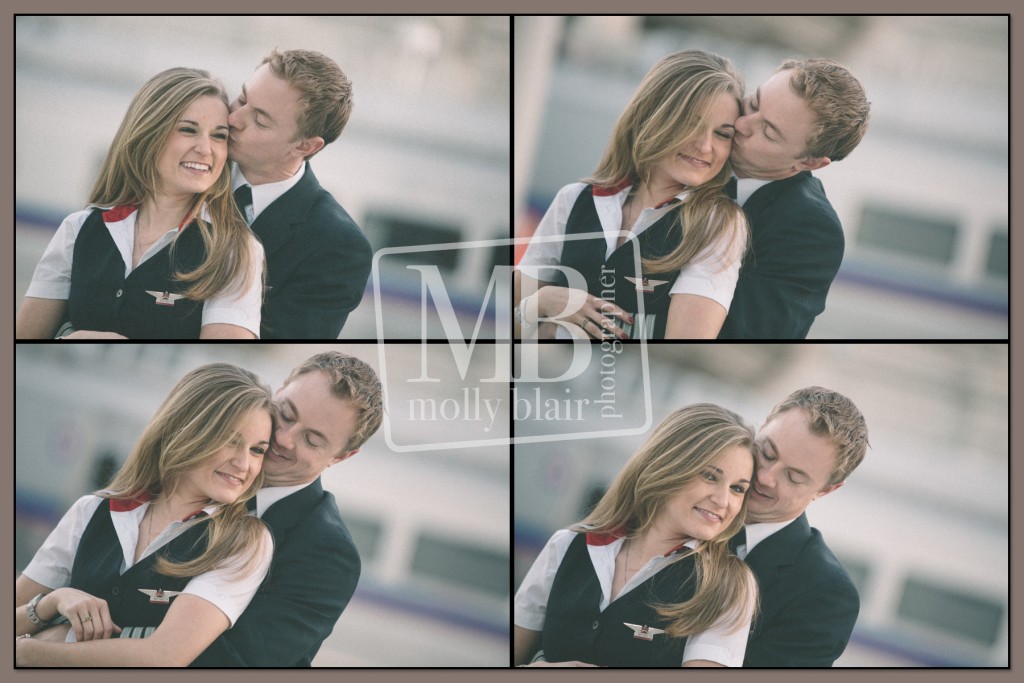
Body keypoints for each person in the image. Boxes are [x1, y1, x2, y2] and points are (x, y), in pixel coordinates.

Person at [15, 364, 275, 666]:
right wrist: (53, 602)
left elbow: (165, 656)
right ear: (186, 429)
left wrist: (37, 650)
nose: (244, 464)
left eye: (257, 450)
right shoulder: (92, 510)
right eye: (231, 440)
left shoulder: (243, 542)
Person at [514, 49, 749, 340]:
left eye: (722, 134)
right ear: (652, 116)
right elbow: (509, 328)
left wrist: (555, 328)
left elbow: (686, 342)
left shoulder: (718, 224)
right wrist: (544, 300)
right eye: (691, 124)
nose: (705, 146)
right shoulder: (573, 199)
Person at [15, 68, 265, 340]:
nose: (206, 149)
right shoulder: (78, 229)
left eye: (219, 135)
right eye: (188, 130)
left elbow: (217, 360)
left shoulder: (235, 251)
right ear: (149, 134)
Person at [513, 404, 759, 667]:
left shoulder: (727, 587)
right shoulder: (567, 546)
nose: (723, 501)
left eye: (737, 488)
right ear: (668, 465)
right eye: (710, 476)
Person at [190, 351, 384, 666]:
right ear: (278, 392)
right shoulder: (197, 466)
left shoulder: (328, 556)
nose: (283, 438)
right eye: (287, 414)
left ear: (341, 457)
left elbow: (234, 663)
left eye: (312, 439)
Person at [719, 59, 871, 339]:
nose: (740, 124)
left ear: (810, 163)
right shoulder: (701, 139)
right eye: (753, 103)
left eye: (767, 131)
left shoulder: (810, 234)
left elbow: (741, 332)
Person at [228, 49, 372, 339]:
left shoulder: (338, 249)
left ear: (305, 147)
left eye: (259, 120)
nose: (233, 118)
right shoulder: (184, 170)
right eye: (242, 99)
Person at [732, 386, 870, 666]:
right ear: (760, 429)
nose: (765, 477)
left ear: (827, 490)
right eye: (767, 453)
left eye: (794, 477)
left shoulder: (824, 595)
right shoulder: (682, 505)